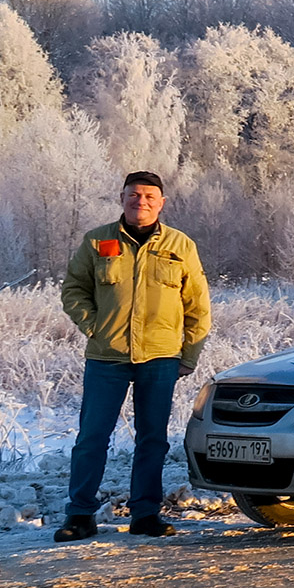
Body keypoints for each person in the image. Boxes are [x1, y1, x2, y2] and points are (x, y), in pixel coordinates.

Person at [55, 171, 211, 541]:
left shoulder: (180, 245)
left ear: (161, 203)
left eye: (148, 197)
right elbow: (73, 289)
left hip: (160, 357)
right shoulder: (97, 241)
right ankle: (79, 515)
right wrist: (94, 326)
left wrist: (188, 354)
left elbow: (198, 306)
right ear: (122, 198)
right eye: (133, 195)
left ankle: (145, 514)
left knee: (152, 438)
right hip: (106, 357)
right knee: (92, 436)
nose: (140, 202)